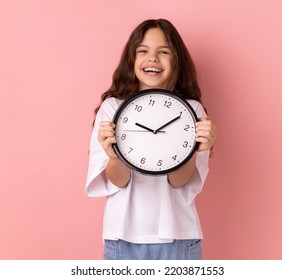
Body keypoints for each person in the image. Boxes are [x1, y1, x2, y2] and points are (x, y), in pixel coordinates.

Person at [85, 19, 217, 260]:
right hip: (123, 236)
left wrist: (196, 149)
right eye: (143, 51)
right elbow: (117, 180)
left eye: (163, 52)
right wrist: (115, 156)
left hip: (178, 235)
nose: (153, 59)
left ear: (177, 61)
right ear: (132, 60)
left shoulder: (193, 111)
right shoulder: (112, 108)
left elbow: (178, 181)